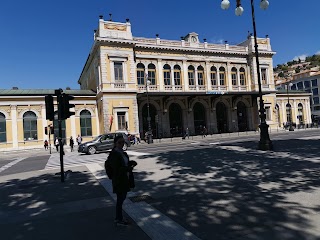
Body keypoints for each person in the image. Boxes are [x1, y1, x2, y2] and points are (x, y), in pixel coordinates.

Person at [108, 135, 137, 226]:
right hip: (119, 180)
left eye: (123, 142)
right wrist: (127, 168)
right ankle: (119, 219)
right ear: (115, 144)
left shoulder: (123, 153)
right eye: (119, 142)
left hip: (125, 178)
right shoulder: (114, 154)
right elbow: (116, 168)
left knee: (122, 198)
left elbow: (125, 163)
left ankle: (119, 217)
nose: (121, 144)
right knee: (120, 199)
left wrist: (131, 163)